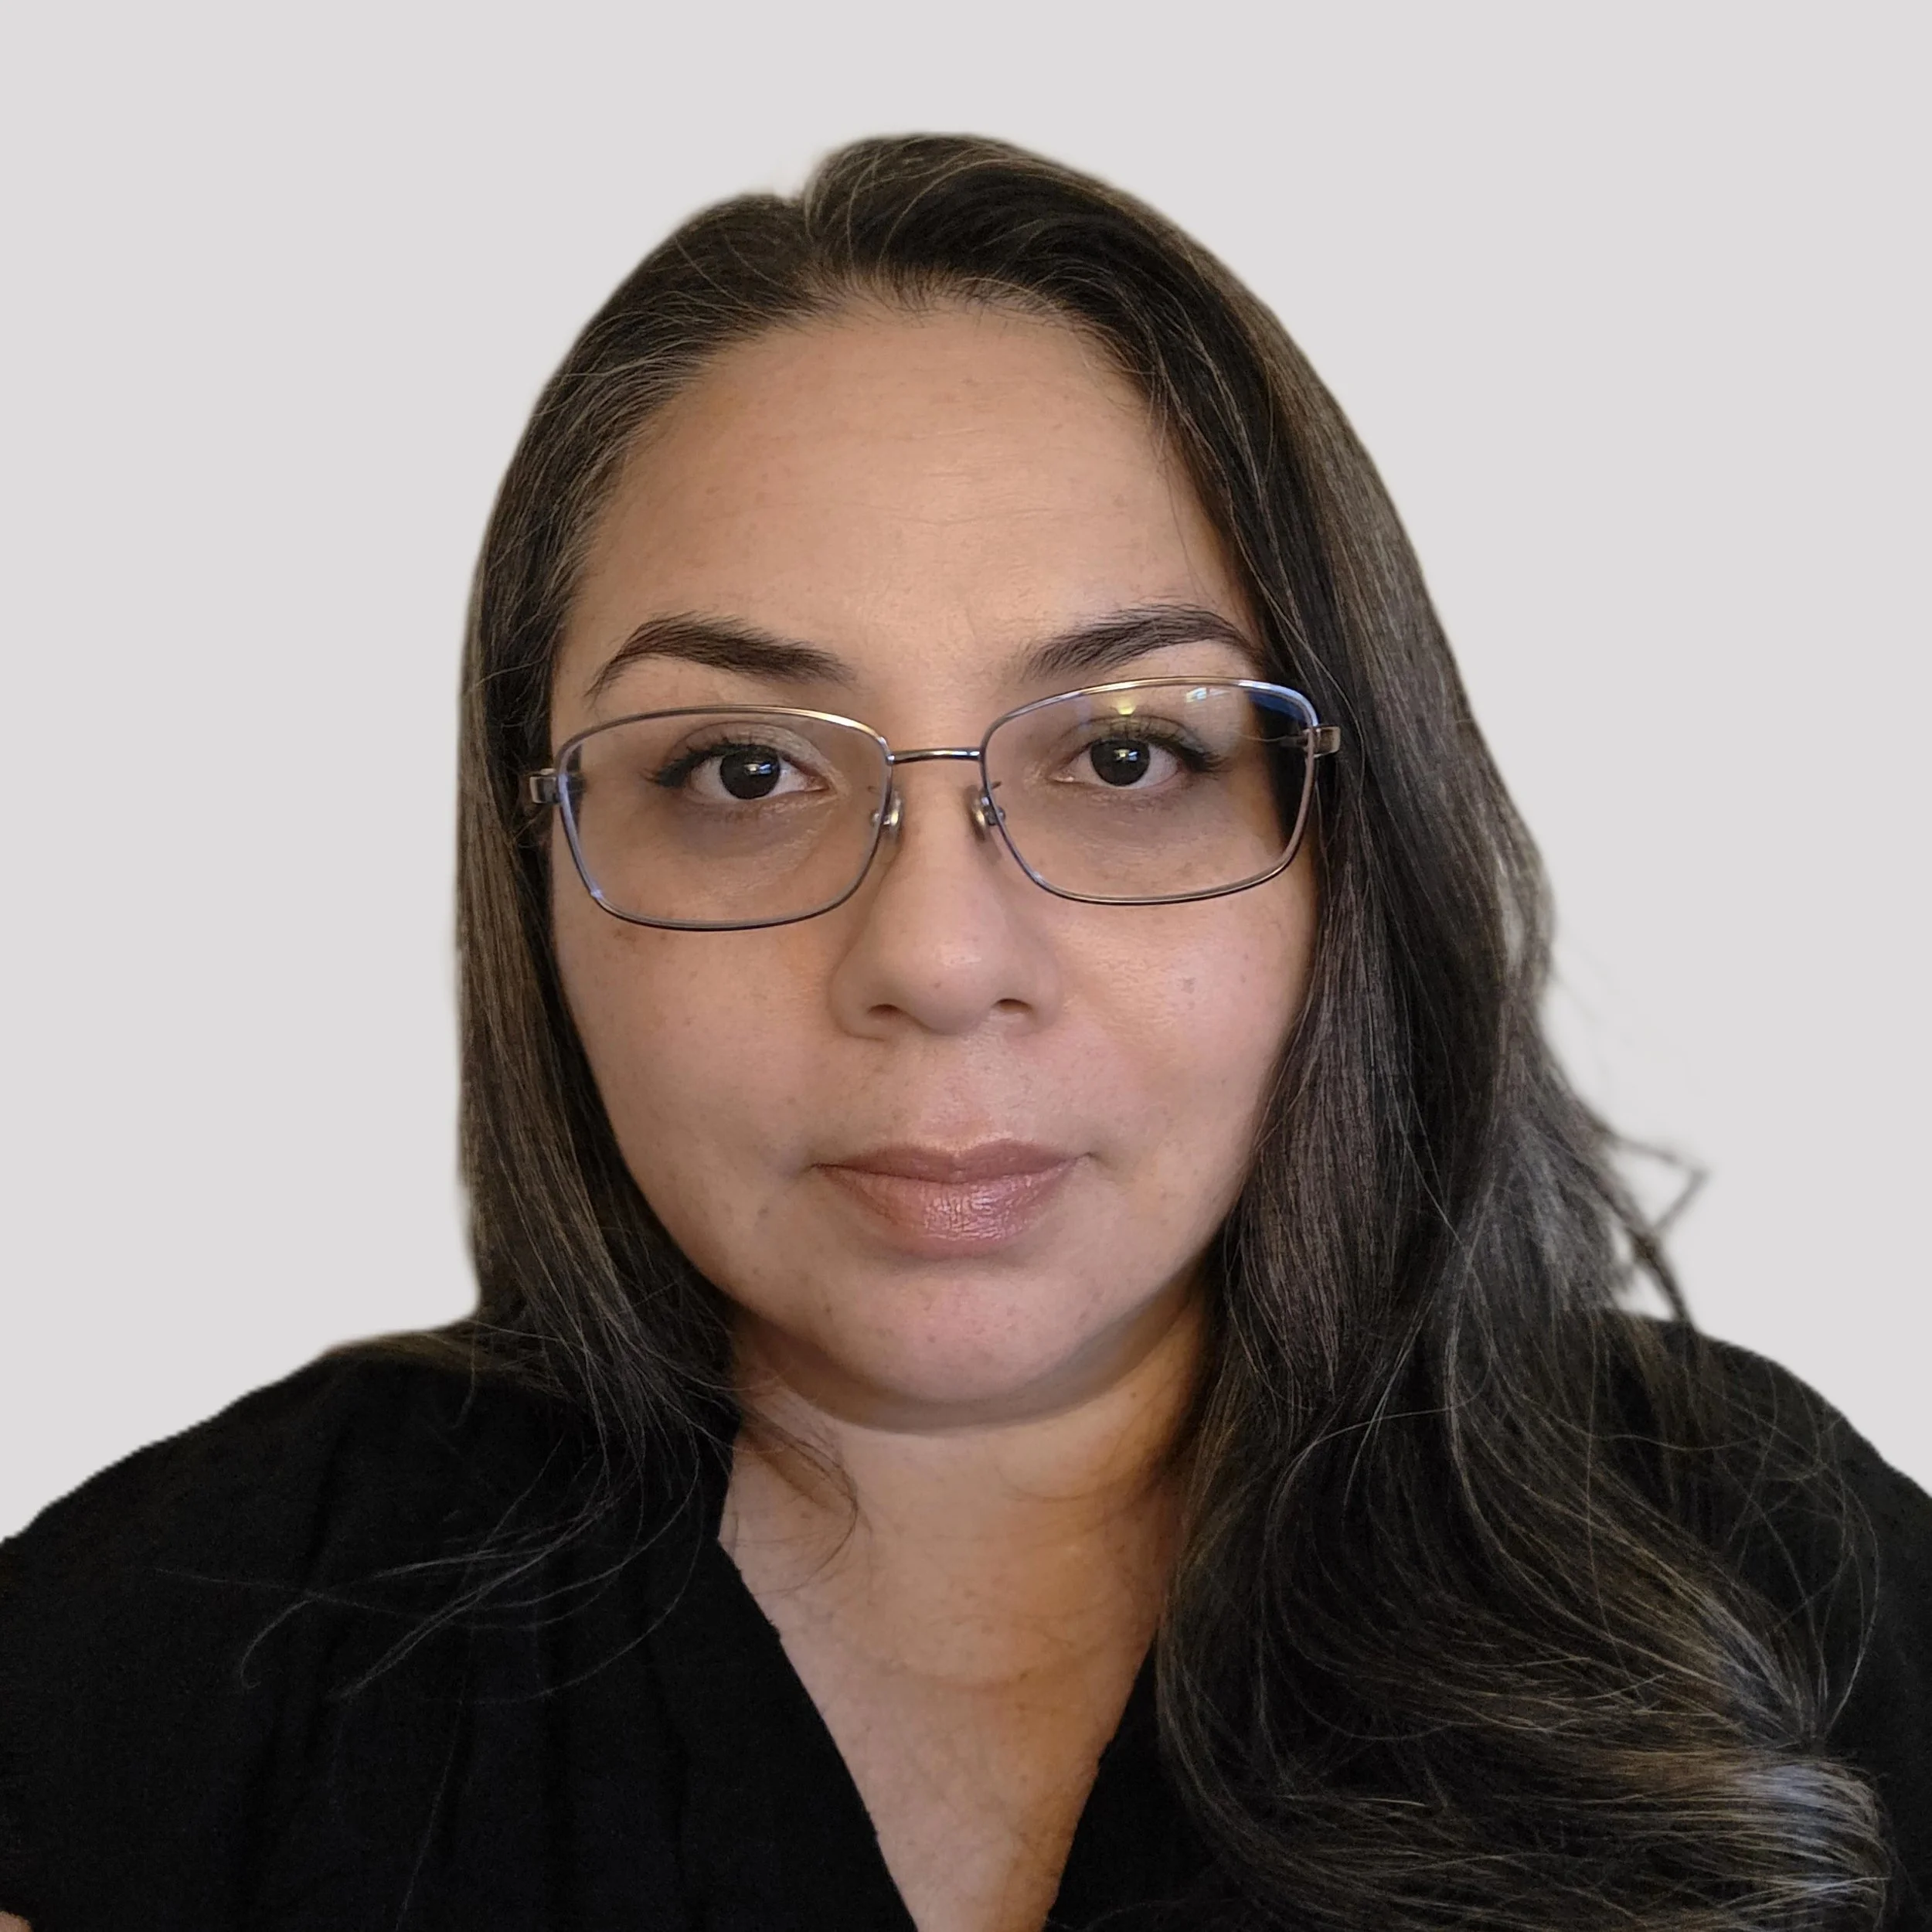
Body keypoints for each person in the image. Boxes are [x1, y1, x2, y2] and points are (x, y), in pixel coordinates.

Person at [1, 133, 1926, 1932]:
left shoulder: (1777, 1590)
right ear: (540, 870)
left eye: (1126, 754)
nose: (932, 956)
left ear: (1348, 841)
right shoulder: (162, 1667)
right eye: (742, 768)